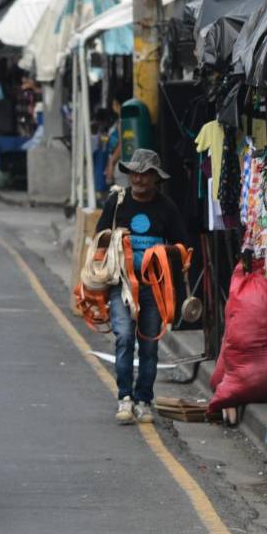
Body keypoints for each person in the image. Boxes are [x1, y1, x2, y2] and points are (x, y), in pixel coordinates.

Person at [95, 149, 188, 424]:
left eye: (144, 173)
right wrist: (114, 238)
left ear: (155, 178)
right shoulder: (117, 202)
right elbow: (99, 238)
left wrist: (160, 251)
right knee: (124, 339)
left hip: (154, 287)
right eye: (134, 172)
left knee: (148, 346)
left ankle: (144, 399)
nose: (138, 178)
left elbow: (182, 246)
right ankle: (125, 397)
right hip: (121, 283)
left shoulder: (166, 207)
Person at [103, 99, 126, 189]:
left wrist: (111, 162)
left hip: (119, 162)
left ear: (118, 105)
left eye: (113, 104)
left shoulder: (122, 121)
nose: (112, 107)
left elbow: (122, 144)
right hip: (116, 161)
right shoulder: (119, 121)